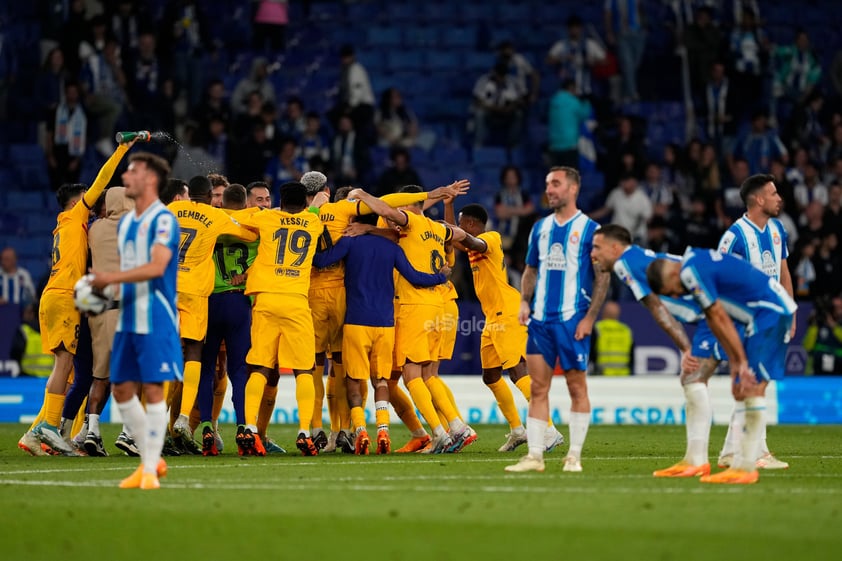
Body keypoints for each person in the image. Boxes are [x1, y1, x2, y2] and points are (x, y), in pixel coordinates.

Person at [18, 142, 131, 457]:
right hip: (65, 296)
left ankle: (38, 432)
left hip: (59, 296)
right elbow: (101, 180)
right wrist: (123, 149)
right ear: (77, 202)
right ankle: (51, 428)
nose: (93, 204)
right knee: (64, 365)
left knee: (65, 366)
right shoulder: (74, 216)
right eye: (87, 201)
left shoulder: (67, 228)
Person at [646, 249, 797, 484]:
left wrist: (741, 362)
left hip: (770, 313)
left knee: (752, 387)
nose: (676, 295)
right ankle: (738, 463)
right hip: (761, 313)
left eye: (671, 291)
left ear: (672, 276)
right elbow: (716, 318)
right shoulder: (695, 261)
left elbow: (718, 316)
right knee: (741, 388)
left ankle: (746, 468)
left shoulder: (690, 273)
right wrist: (736, 362)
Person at [351, 185, 478, 453]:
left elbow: (385, 209)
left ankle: (441, 432)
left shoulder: (411, 221)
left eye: (401, 207)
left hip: (414, 305)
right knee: (428, 375)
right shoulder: (437, 228)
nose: (394, 213)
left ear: (409, 206)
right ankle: (455, 426)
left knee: (411, 375)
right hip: (436, 304)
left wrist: (363, 196)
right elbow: (459, 234)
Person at [312, 209, 448, 454]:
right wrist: (440, 277)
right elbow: (415, 277)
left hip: (356, 321)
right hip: (386, 324)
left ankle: (361, 430)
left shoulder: (350, 242)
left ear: (353, 221)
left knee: (354, 380)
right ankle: (383, 430)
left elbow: (322, 261)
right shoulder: (392, 249)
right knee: (381, 380)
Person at [505, 166, 610, 473]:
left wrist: (590, 317)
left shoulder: (591, 229)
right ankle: (535, 456)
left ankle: (574, 456)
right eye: (547, 184)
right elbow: (531, 270)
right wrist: (525, 301)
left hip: (572, 318)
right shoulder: (540, 228)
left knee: (577, 387)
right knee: (538, 387)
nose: (549, 189)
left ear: (573, 189)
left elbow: (602, 277)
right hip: (540, 321)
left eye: (556, 184)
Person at [90, 151, 181, 490]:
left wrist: (106, 278)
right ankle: (151, 461)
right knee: (122, 388)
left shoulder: (163, 220)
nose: (126, 177)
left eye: (133, 171)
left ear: (151, 180)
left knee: (154, 389)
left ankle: (147, 471)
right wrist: (103, 292)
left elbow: (157, 267)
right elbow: (127, 271)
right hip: (128, 314)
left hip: (155, 314)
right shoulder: (127, 222)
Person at [448, 202, 564, 452]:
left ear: (470, 223)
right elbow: (454, 239)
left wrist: (440, 227)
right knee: (490, 376)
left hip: (507, 312)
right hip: (492, 317)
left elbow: (466, 240)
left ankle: (549, 430)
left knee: (517, 370)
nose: (458, 226)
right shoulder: (471, 245)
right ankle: (517, 431)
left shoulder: (490, 238)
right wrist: (447, 204)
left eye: (460, 222)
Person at [167, 175, 258, 452]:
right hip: (233, 302)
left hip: (201, 300)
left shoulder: (176, 212)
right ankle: (244, 427)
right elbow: (251, 235)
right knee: (238, 369)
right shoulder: (228, 222)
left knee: (202, 367)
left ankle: (205, 426)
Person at [236, 181, 328, 456]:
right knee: (304, 369)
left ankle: (249, 427)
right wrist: (315, 206)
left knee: (260, 367)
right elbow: (313, 214)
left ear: (279, 201)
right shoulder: (314, 223)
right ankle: (303, 430)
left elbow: (241, 218)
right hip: (296, 301)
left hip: (265, 299)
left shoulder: (266, 218)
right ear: (304, 203)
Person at [717, 173, 793, 470]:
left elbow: (783, 272)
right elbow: (719, 280)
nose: (779, 198)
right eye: (773, 193)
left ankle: (730, 451)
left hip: (774, 317)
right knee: (755, 383)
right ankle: (756, 452)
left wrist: (790, 310)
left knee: (756, 383)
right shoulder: (734, 236)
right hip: (746, 321)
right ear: (759, 199)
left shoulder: (777, 230)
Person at [84, 186, 135, 456]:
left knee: (99, 375)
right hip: (125, 309)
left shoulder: (95, 229)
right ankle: (128, 432)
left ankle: (92, 430)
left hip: (98, 310)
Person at [547, 79, 592, 168]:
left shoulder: (553, 101)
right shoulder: (573, 101)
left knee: (558, 176)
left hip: (554, 145)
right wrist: (586, 103)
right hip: (569, 144)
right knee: (570, 175)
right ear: (571, 88)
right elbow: (585, 114)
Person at [592, 301, 633, 376]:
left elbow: (591, 353)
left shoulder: (597, 328)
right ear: (617, 314)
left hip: (602, 374)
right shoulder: (626, 330)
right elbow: (632, 355)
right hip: (623, 375)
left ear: (603, 313)